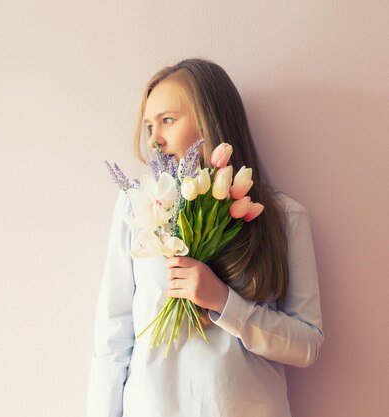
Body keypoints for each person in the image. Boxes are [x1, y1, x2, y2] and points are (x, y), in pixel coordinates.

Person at [86, 58, 325, 417]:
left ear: (210, 118)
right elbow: (113, 337)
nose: (154, 139)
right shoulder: (136, 208)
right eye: (150, 125)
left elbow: (307, 345)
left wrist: (224, 302)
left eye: (168, 120)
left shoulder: (283, 218)